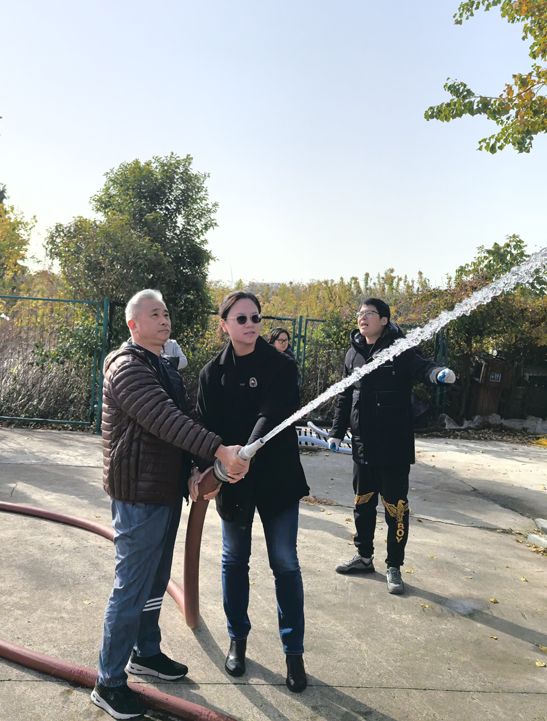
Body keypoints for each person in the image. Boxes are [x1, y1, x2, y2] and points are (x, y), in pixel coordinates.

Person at [93, 289, 245, 720]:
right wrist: (219, 450)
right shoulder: (127, 367)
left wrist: (200, 468)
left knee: (156, 580)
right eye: (154, 314)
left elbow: (187, 418)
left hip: (163, 490)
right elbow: (165, 419)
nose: (164, 319)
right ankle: (108, 682)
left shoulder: (164, 367)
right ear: (133, 325)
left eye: (166, 313)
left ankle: (146, 652)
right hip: (138, 494)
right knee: (131, 585)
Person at [196, 291, 310, 693]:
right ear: (224, 325)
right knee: (234, 561)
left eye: (256, 318)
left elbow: (272, 413)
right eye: (241, 318)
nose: (250, 324)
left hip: (278, 479)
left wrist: (247, 451)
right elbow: (203, 426)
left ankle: (293, 653)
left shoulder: (281, 366)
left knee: (285, 563)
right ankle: (237, 640)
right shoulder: (211, 374)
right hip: (234, 481)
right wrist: (211, 466)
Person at [329, 298, 455, 595]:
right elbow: (345, 395)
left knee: (396, 509)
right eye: (359, 313)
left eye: (369, 313)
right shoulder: (353, 353)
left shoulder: (400, 349)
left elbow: (422, 367)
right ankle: (363, 557)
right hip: (363, 444)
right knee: (362, 504)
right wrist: (336, 431)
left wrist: (438, 374)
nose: (362, 317)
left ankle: (394, 565)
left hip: (393, 445)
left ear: (384, 320)